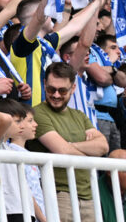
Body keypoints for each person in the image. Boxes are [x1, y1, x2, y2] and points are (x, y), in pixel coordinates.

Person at [28, 62, 109, 222]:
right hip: (58, 194)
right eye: (51, 89)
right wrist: (88, 152)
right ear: (44, 84)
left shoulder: (79, 115)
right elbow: (62, 151)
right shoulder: (38, 113)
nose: (56, 95)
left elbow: (103, 146)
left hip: (88, 195)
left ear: (73, 88)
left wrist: (71, 146)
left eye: (62, 90)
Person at [0, 99, 48, 222]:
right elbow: (6, 119)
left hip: (27, 212)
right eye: (17, 122)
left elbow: (27, 190)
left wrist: (43, 220)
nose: (21, 126)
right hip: (9, 211)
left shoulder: (13, 152)